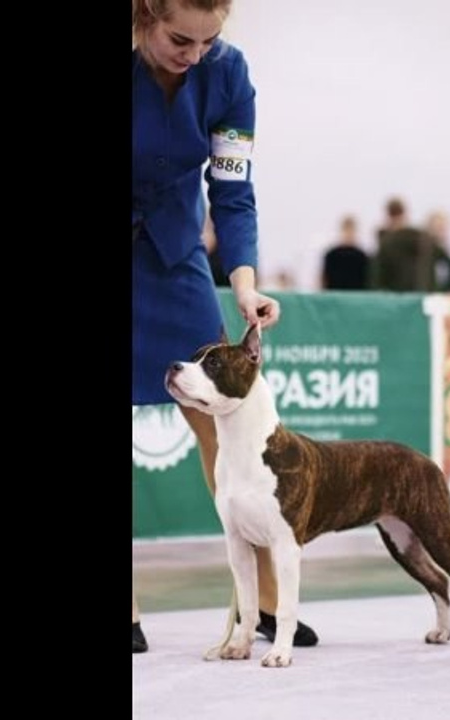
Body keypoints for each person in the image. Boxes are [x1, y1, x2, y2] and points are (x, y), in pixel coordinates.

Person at [132, 0, 318, 652]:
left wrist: (242, 281)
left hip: (176, 257)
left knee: (230, 436)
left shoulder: (229, 74)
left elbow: (232, 188)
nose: (195, 54)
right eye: (180, 39)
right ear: (141, 17)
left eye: (209, 41)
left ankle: (263, 607)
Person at [371, 197, 433, 291]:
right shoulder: (420, 238)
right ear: (404, 214)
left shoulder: (386, 241)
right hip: (417, 293)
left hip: (394, 295)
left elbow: (378, 274)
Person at [321, 215, 369, 289]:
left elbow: (367, 280)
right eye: (347, 230)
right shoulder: (332, 255)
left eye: (351, 230)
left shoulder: (362, 256)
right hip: (335, 296)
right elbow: (324, 279)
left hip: (356, 296)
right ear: (342, 231)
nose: (349, 234)